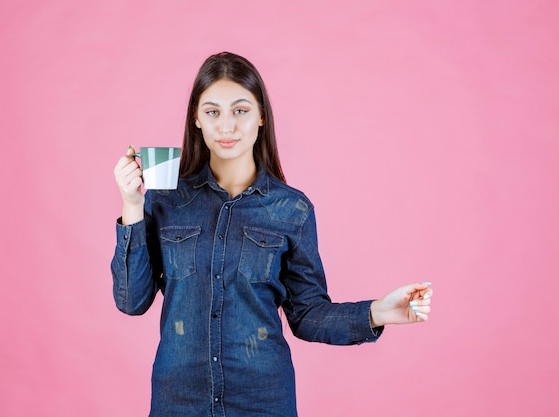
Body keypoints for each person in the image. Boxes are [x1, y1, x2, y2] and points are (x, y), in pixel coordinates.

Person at [111, 52, 433, 417]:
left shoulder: (292, 210)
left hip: (262, 402)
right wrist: (132, 206)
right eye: (213, 111)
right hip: (179, 401)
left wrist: (378, 312)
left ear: (261, 116)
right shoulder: (167, 200)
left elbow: (307, 313)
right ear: (196, 119)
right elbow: (131, 301)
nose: (227, 126)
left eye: (241, 110)